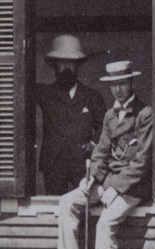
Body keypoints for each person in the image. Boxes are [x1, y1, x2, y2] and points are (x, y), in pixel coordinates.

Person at [43, 61, 153, 249]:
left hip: (132, 188)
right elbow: (101, 151)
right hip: (108, 183)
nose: (118, 90)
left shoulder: (145, 114)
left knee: (104, 224)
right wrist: (92, 178)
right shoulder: (109, 116)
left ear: (131, 83)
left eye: (122, 83)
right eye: (114, 85)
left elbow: (142, 162)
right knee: (67, 202)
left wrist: (114, 187)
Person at [37, 34, 106, 195]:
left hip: (82, 161)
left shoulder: (92, 96)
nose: (67, 67)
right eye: (62, 62)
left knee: (83, 204)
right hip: (54, 161)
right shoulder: (44, 94)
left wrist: (94, 144)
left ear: (78, 64)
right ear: (54, 65)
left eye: (71, 62)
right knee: (54, 207)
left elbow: (104, 125)